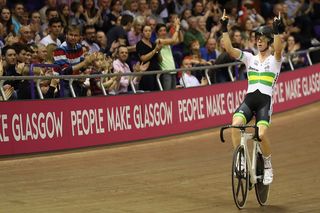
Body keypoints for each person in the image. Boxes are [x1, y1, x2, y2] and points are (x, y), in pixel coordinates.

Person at [220, 10, 284, 185]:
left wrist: (278, 32)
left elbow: (279, 49)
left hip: (264, 102)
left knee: (260, 134)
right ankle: (240, 160)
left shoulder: (275, 60)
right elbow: (230, 50)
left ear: (269, 40)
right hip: (249, 100)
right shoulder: (249, 58)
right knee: (235, 124)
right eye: (257, 38)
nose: (259, 40)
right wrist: (224, 29)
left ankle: (268, 164)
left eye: (262, 38)